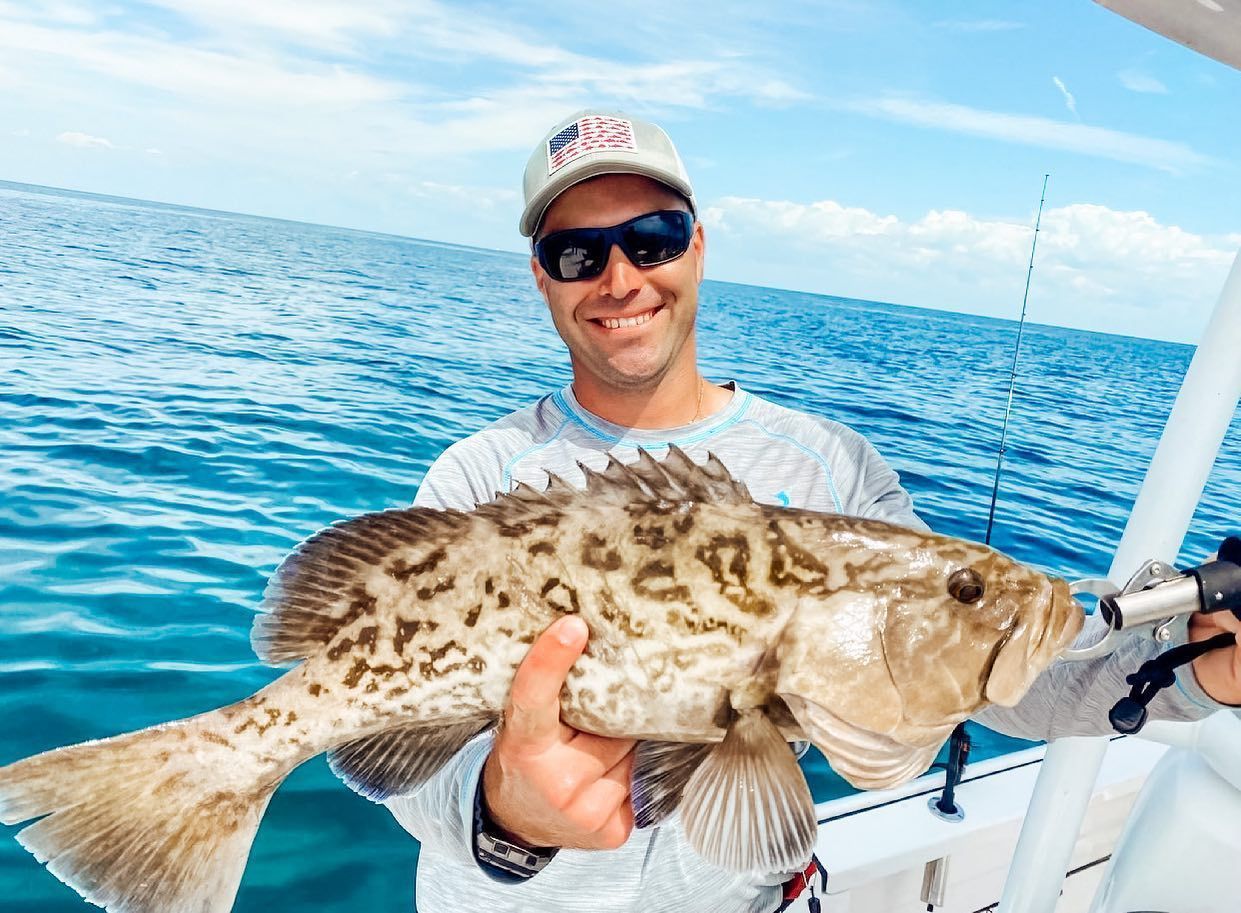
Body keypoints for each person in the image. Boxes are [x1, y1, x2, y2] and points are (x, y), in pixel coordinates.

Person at [385, 109, 1241, 913]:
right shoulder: (480, 479)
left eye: (652, 239)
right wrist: (503, 811)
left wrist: (1193, 672)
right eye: (577, 252)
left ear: (697, 247)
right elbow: (392, 739)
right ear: (541, 275)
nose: (619, 278)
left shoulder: (830, 465)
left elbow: (997, 682)